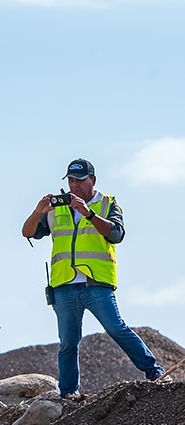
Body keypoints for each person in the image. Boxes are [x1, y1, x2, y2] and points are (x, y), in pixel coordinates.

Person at [21, 158, 168, 398]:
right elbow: (27, 232)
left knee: (117, 329)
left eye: (79, 180)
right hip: (64, 285)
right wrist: (38, 212)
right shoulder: (56, 209)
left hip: (96, 283)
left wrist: (88, 214)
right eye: (70, 180)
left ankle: (155, 372)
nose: (74, 186)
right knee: (68, 343)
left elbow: (116, 234)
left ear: (93, 180)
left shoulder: (107, 203)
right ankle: (68, 394)